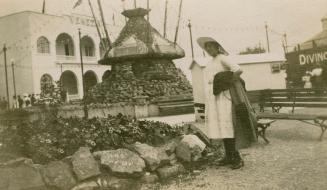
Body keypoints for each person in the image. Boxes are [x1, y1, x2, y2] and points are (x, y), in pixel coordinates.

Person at [197, 37, 257, 169]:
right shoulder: (211, 62)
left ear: (217, 47)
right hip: (215, 98)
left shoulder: (223, 58)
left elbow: (238, 70)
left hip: (225, 98)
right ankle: (228, 156)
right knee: (221, 127)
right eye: (207, 48)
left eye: (211, 47)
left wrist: (228, 83)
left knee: (228, 126)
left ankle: (237, 158)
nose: (209, 49)